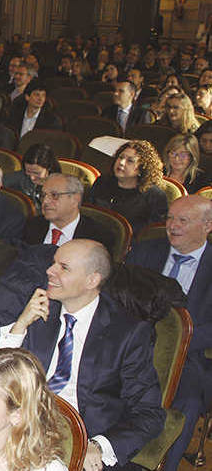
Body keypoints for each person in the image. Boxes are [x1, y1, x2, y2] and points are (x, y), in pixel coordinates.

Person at [0, 239, 166, 470]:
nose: (50, 271)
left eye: (63, 267)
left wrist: (98, 445)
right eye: (53, 263)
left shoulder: (127, 333)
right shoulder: (39, 307)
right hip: (21, 425)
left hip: (80, 440)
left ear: (92, 280)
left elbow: (149, 413)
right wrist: (20, 326)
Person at [125, 196, 212, 471]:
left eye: (182, 220)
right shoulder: (145, 251)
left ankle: (166, 466)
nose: (172, 226)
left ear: (207, 225)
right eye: (170, 218)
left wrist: (177, 343)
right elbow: (122, 298)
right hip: (135, 344)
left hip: (190, 355)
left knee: (188, 397)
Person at [85, 140, 168, 235]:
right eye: (120, 157)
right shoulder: (102, 182)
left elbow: (151, 234)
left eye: (130, 161)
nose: (121, 163)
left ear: (142, 168)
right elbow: (88, 215)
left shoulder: (155, 196)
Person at [22, 173, 114, 248]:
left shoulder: (98, 239)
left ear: (75, 200)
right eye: (43, 195)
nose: (45, 201)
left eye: (54, 195)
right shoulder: (32, 225)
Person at [3, 143, 61, 210]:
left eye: (36, 173)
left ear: (49, 168)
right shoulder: (16, 179)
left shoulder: (60, 187)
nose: (32, 177)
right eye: (28, 171)